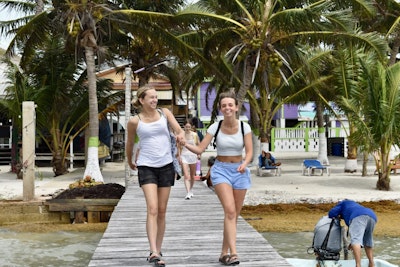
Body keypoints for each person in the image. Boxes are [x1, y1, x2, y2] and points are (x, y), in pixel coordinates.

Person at [180, 90, 253, 266]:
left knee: (234, 216)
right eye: (223, 105)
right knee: (229, 211)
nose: (227, 108)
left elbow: (249, 151)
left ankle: (223, 253)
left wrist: (245, 163)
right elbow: (200, 149)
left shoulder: (245, 127)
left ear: (236, 108)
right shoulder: (215, 127)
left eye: (230, 105)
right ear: (220, 109)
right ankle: (234, 253)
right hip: (220, 170)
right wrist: (185, 144)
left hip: (240, 171)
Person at [125, 85, 185, 267]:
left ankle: (158, 250)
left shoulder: (165, 113)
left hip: (166, 165)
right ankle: (153, 251)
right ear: (141, 100)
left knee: (162, 210)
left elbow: (178, 130)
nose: (154, 100)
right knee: (152, 208)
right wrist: (129, 161)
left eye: (156, 97)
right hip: (146, 166)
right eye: (150, 97)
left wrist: (181, 136)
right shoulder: (134, 121)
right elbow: (129, 143)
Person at [328, 199, 377, 267]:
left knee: (356, 241)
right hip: (372, 215)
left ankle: (358, 265)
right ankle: (372, 263)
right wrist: (352, 243)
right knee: (368, 240)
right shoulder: (353, 205)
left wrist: (338, 216)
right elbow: (359, 231)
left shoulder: (342, 203)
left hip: (358, 216)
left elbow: (331, 213)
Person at [180, 119, 200, 199]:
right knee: (186, 175)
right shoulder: (181, 135)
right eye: (186, 127)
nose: (187, 128)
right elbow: (178, 146)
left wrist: (198, 153)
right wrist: (179, 155)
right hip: (184, 155)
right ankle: (188, 192)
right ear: (184, 126)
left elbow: (198, 145)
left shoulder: (194, 135)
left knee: (192, 175)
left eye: (189, 127)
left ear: (191, 127)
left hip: (193, 155)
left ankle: (191, 189)